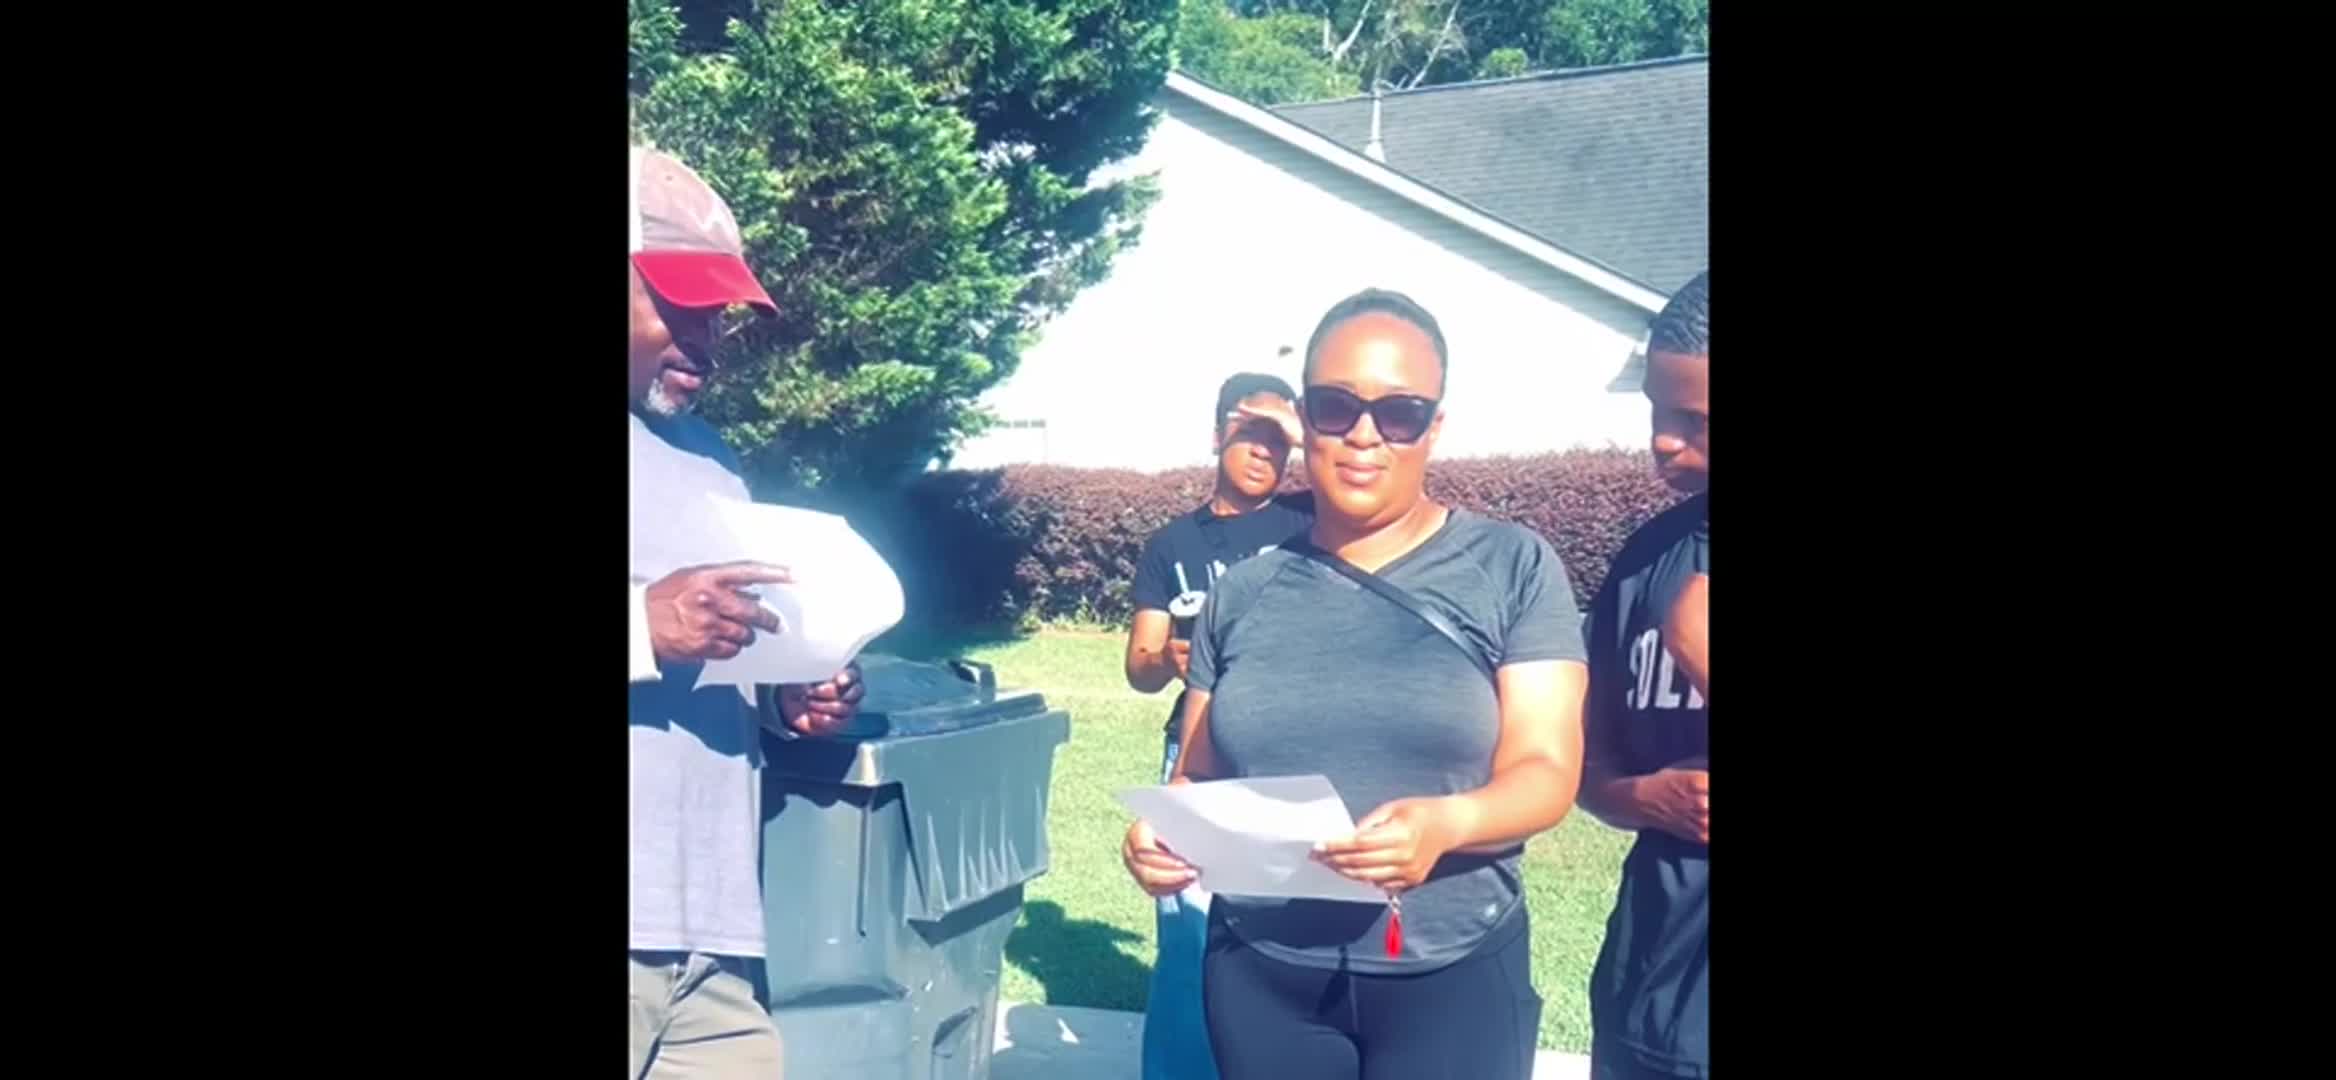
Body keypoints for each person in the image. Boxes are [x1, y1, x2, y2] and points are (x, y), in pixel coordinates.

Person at [1121, 288, 1590, 1080]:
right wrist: (1160, 836)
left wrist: (1448, 822)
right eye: (1337, 407)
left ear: (1434, 427)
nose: (1365, 434)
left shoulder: (1511, 566)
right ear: (1305, 420)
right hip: (1261, 974)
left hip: (1450, 970)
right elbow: (1197, 776)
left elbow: (1547, 770)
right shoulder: (1244, 592)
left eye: (1399, 413)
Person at [627, 145, 866, 1080]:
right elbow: (659, 631)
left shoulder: (712, 457)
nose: (707, 340)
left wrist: (787, 693)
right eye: (680, 306)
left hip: (713, 936)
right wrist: (642, 627)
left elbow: (713, 659)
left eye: (718, 314)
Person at [1124, 373, 1313, 1080]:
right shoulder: (1172, 544)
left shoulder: (1310, 522)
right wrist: (1172, 658)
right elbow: (1139, 665)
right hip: (1198, 750)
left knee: (1292, 929)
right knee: (1189, 939)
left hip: (1292, 748)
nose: (1266, 451)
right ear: (1215, 437)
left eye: (1279, 439)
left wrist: (1297, 427)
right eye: (1249, 433)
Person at [1576, 271, 1709, 1080]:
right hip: (1646, 994)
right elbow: (1587, 770)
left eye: (1696, 419)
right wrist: (1644, 797)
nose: (1663, 440)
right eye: (1658, 410)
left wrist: (1699, 648)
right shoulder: (1645, 562)